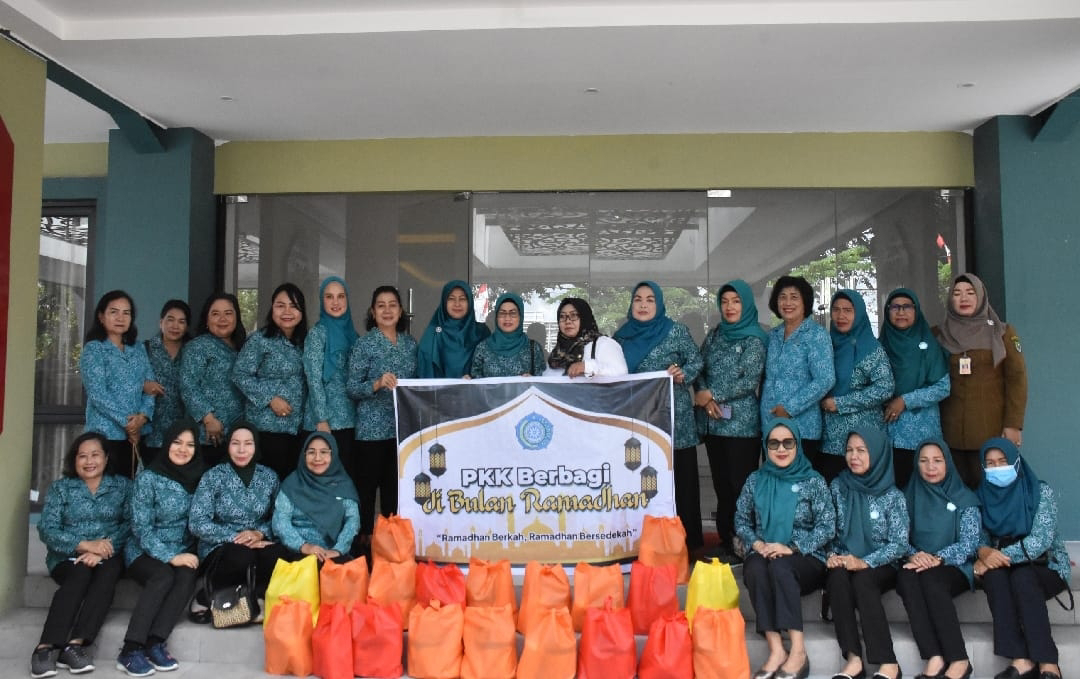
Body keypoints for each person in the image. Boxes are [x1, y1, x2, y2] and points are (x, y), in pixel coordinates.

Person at [735, 418, 834, 679]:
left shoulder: (813, 481)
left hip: (806, 556)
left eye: (788, 443)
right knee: (755, 568)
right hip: (764, 550)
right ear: (765, 447)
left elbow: (827, 527)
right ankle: (776, 649)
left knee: (780, 566)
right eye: (774, 443)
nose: (781, 449)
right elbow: (741, 520)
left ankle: (798, 651)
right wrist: (756, 543)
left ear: (798, 445)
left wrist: (793, 547)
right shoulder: (756, 480)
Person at [614, 281, 705, 555]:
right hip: (638, 422)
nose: (643, 304)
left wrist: (682, 373)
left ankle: (688, 545)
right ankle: (643, 543)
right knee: (641, 480)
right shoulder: (620, 338)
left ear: (659, 304)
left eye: (650, 299)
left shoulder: (675, 331)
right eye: (638, 299)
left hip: (675, 421)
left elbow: (697, 361)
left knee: (681, 482)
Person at [31, 432, 131, 679]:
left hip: (109, 554)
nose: (89, 461)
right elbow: (47, 529)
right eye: (82, 456)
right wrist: (85, 546)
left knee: (107, 573)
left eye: (95, 455)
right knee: (80, 573)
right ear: (73, 460)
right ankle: (45, 647)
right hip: (67, 556)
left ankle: (76, 646)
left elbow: (130, 524)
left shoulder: (123, 487)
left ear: (106, 458)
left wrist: (103, 550)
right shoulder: (61, 489)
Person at [973, 438, 1070, 679]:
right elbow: (979, 537)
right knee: (995, 579)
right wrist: (983, 552)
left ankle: (1048, 662)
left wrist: (996, 557)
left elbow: (1040, 541)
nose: (997, 468)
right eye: (990, 463)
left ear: (1016, 462)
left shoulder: (1040, 491)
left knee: (1023, 577)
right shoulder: (981, 496)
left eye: (1002, 461)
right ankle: (1021, 660)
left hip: (1045, 563)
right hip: (1003, 563)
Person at [118, 418, 206, 676]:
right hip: (143, 550)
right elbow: (141, 528)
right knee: (163, 575)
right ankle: (130, 649)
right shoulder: (149, 478)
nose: (183, 449)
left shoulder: (201, 478)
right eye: (177, 442)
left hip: (182, 550)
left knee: (187, 575)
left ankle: (155, 642)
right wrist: (171, 556)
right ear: (167, 444)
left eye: (190, 445)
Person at [826, 427, 908, 679]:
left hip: (882, 563)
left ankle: (888, 663)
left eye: (862, 450)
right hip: (845, 558)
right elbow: (827, 528)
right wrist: (832, 555)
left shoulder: (892, 495)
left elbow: (899, 544)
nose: (854, 456)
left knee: (863, 580)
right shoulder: (838, 487)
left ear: (878, 453)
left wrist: (865, 562)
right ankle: (853, 659)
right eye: (849, 450)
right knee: (837, 578)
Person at [188, 422, 291, 619]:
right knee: (241, 556)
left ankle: (258, 598)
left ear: (256, 446)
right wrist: (236, 538)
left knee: (277, 554)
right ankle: (205, 596)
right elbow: (197, 522)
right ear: (228, 446)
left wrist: (259, 533)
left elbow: (279, 517)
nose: (242, 450)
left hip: (258, 540)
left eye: (248, 443)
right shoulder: (214, 476)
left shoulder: (269, 477)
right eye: (235, 443)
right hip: (221, 544)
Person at [695, 280, 767, 557]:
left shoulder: (755, 338)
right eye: (725, 301)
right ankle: (727, 540)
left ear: (746, 304)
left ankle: (744, 541)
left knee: (741, 486)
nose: (730, 307)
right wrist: (704, 395)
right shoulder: (715, 335)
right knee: (722, 486)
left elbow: (749, 381)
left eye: (736, 301)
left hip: (742, 428)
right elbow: (699, 367)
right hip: (714, 424)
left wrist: (712, 394)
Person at [896, 438, 980, 679]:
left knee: (933, 581)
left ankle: (959, 660)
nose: (930, 467)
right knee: (906, 579)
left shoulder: (964, 498)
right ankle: (934, 656)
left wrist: (939, 558)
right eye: (923, 461)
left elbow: (970, 543)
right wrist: (914, 554)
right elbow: (898, 537)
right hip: (918, 560)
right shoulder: (908, 495)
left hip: (954, 564)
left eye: (937, 460)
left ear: (948, 463)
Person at [934, 274, 1027, 488]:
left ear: (981, 297)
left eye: (970, 292)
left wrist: (1013, 424)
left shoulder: (1002, 333)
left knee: (992, 491)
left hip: (991, 432)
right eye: (957, 293)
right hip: (949, 433)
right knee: (957, 493)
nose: (963, 298)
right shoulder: (938, 334)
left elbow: (1017, 380)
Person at [346, 285, 418, 538]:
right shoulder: (364, 344)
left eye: (392, 305)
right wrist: (376, 384)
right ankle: (364, 545)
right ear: (372, 312)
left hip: (401, 432)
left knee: (395, 493)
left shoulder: (410, 344)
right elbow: (352, 387)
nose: (387, 310)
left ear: (401, 311)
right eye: (381, 305)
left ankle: (391, 544)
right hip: (371, 433)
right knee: (366, 493)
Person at [232, 282, 308, 480]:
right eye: (280, 305)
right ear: (272, 308)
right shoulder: (260, 340)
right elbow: (240, 374)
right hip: (267, 429)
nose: (287, 311)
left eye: (293, 306)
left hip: (298, 428)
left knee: (290, 485)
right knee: (268, 484)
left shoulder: (305, 342)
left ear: (302, 312)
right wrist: (270, 398)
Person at [820, 290, 895, 483]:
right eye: (836, 310)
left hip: (862, 440)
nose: (841, 316)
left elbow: (885, 387)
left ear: (859, 313)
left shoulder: (871, 348)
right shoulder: (825, 346)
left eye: (848, 310)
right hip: (829, 440)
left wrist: (841, 403)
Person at [760, 275, 835, 468]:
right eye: (782, 297)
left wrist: (789, 408)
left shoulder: (816, 335)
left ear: (805, 302)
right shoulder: (773, 336)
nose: (787, 303)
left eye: (794, 297)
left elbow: (825, 379)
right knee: (773, 483)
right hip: (770, 426)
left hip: (802, 427)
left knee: (798, 484)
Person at [878, 288, 950, 489]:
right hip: (887, 435)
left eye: (907, 307)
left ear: (916, 311)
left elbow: (943, 387)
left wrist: (905, 401)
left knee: (924, 490)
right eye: (895, 307)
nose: (901, 312)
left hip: (921, 435)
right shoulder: (879, 347)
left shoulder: (929, 345)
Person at [79, 290, 155, 478]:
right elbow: (98, 394)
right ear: (101, 317)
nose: (120, 318)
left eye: (126, 313)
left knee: (131, 486)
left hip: (137, 435)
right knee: (105, 488)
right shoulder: (94, 349)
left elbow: (151, 387)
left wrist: (142, 417)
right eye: (114, 312)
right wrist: (128, 424)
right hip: (104, 434)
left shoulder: (138, 348)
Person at [180, 293, 247, 467]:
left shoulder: (244, 348)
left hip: (237, 435)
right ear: (207, 320)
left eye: (228, 313)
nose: (222, 319)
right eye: (215, 314)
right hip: (207, 435)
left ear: (237, 317)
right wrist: (208, 419)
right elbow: (188, 385)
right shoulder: (198, 346)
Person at [272, 432, 361, 562]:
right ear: (304, 455)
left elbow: (352, 521)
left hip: (334, 552)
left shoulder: (343, 485)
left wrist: (338, 550)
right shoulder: (292, 483)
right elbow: (280, 521)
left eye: (324, 452)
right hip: (297, 552)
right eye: (311, 452)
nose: (317, 458)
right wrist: (304, 546)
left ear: (333, 455)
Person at [302, 276, 359, 473]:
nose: (336, 302)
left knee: (346, 478)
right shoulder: (317, 334)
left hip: (350, 420)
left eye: (341, 296)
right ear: (322, 300)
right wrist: (321, 419)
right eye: (329, 297)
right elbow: (313, 379)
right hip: (325, 423)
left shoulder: (353, 335)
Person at [141, 299, 192, 468]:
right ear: (161, 322)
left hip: (184, 432)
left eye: (181, 321)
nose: (175, 326)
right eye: (170, 320)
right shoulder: (145, 349)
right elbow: (129, 380)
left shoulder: (193, 352)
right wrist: (143, 385)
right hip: (151, 432)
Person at [415, 280, 490, 378]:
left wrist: (474, 378)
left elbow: (490, 368)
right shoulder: (432, 333)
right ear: (444, 302)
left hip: (473, 388)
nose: (457, 304)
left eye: (462, 299)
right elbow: (424, 371)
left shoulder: (481, 332)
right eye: (451, 299)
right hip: (439, 388)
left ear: (470, 302)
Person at [543, 297, 627, 377]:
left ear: (584, 318)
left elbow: (621, 374)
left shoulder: (603, 344)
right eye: (562, 316)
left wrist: (588, 367)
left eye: (573, 315)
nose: (567, 321)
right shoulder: (557, 354)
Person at [468, 292, 546, 377]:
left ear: (520, 316)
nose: (507, 318)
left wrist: (532, 380)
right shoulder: (483, 348)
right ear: (496, 317)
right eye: (502, 313)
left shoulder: (533, 348)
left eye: (513, 313)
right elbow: (476, 381)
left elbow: (542, 380)